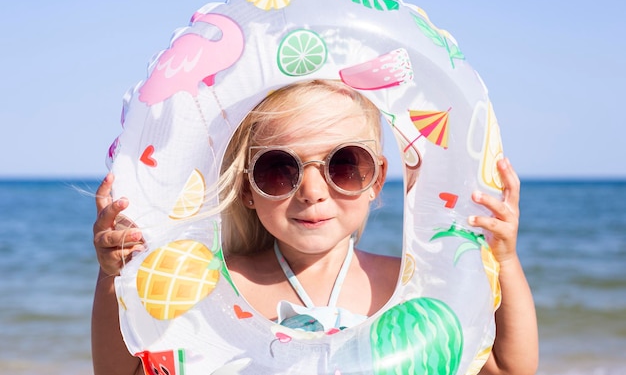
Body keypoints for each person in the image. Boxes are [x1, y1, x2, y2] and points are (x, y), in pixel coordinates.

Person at [92, 80, 538, 375]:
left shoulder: (411, 284)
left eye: (344, 165)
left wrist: (505, 261)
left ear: (377, 179)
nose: (311, 190)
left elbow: (507, 369)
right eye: (277, 169)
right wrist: (112, 277)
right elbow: (124, 372)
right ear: (247, 188)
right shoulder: (215, 283)